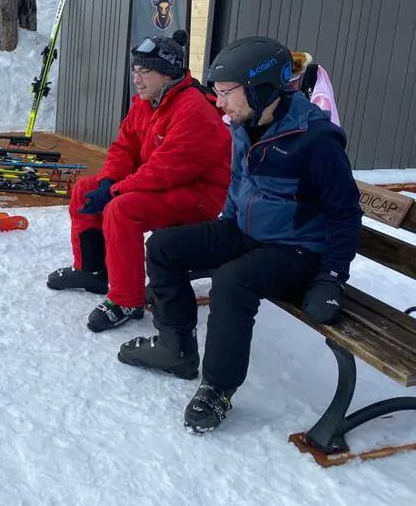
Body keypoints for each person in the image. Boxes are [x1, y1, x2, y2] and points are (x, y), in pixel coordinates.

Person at [118, 36, 362, 433]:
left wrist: (332, 277)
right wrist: (227, 220)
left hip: (297, 249)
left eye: (226, 93)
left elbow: (346, 212)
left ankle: (217, 387)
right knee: (164, 247)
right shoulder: (244, 124)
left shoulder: (315, 139)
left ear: (261, 89)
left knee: (231, 282)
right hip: (246, 232)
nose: (219, 103)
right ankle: (175, 346)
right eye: (216, 93)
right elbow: (240, 181)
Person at [47, 31, 231, 332]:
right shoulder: (146, 102)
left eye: (144, 71)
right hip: (163, 184)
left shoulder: (193, 110)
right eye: (135, 71)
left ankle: (126, 301)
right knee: (86, 189)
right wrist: (107, 182)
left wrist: (116, 191)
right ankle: (91, 270)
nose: (137, 78)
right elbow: (124, 148)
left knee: (123, 209)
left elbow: (165, 169)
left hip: (198, 195)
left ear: (167, 74)